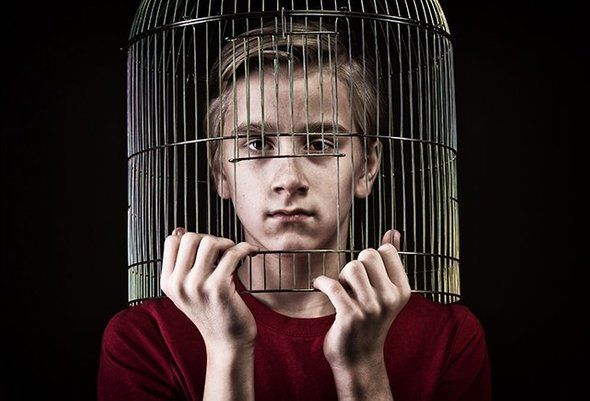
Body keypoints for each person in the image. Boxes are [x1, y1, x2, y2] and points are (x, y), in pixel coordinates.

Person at [98, 21, 491, 401]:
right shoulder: (145, 339)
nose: (289, 179)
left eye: (320, 143)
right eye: (256, 144)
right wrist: (226, 349)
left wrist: (362, 365)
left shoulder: (450, 337)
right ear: (219, 171)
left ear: (367, 167)